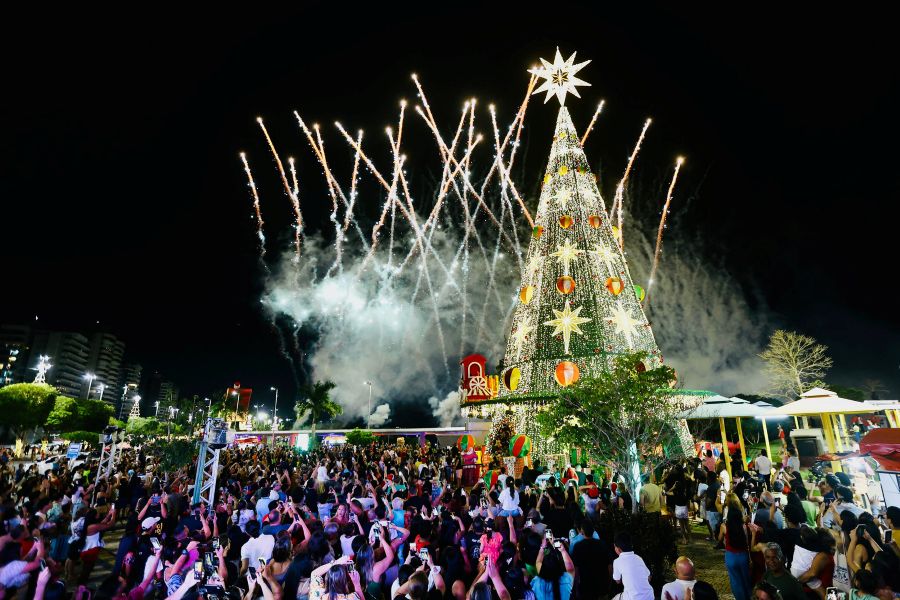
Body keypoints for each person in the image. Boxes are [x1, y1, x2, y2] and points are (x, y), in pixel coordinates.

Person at [719, 494, 751, 600]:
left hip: (730, 556)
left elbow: (719, 539)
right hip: (743, 555)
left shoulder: (724, 526)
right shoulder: (743, 526)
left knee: (735, 581)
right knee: (746, 580)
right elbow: (747, 541)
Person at [611, 531, 653, 600]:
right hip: (649, 596)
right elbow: (649, 577)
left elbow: (617, 581)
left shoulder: (617, 561)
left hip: (632, 597)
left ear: (618, 549)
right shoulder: (638, 558)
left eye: (614, 546)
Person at [532, 535, 575, 600]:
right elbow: (571, 569)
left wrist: (542, 547)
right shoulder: (566, 579)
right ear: (559, 566)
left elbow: (538, 562)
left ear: (542, 568)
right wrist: (563, 551)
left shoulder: (537, 582)